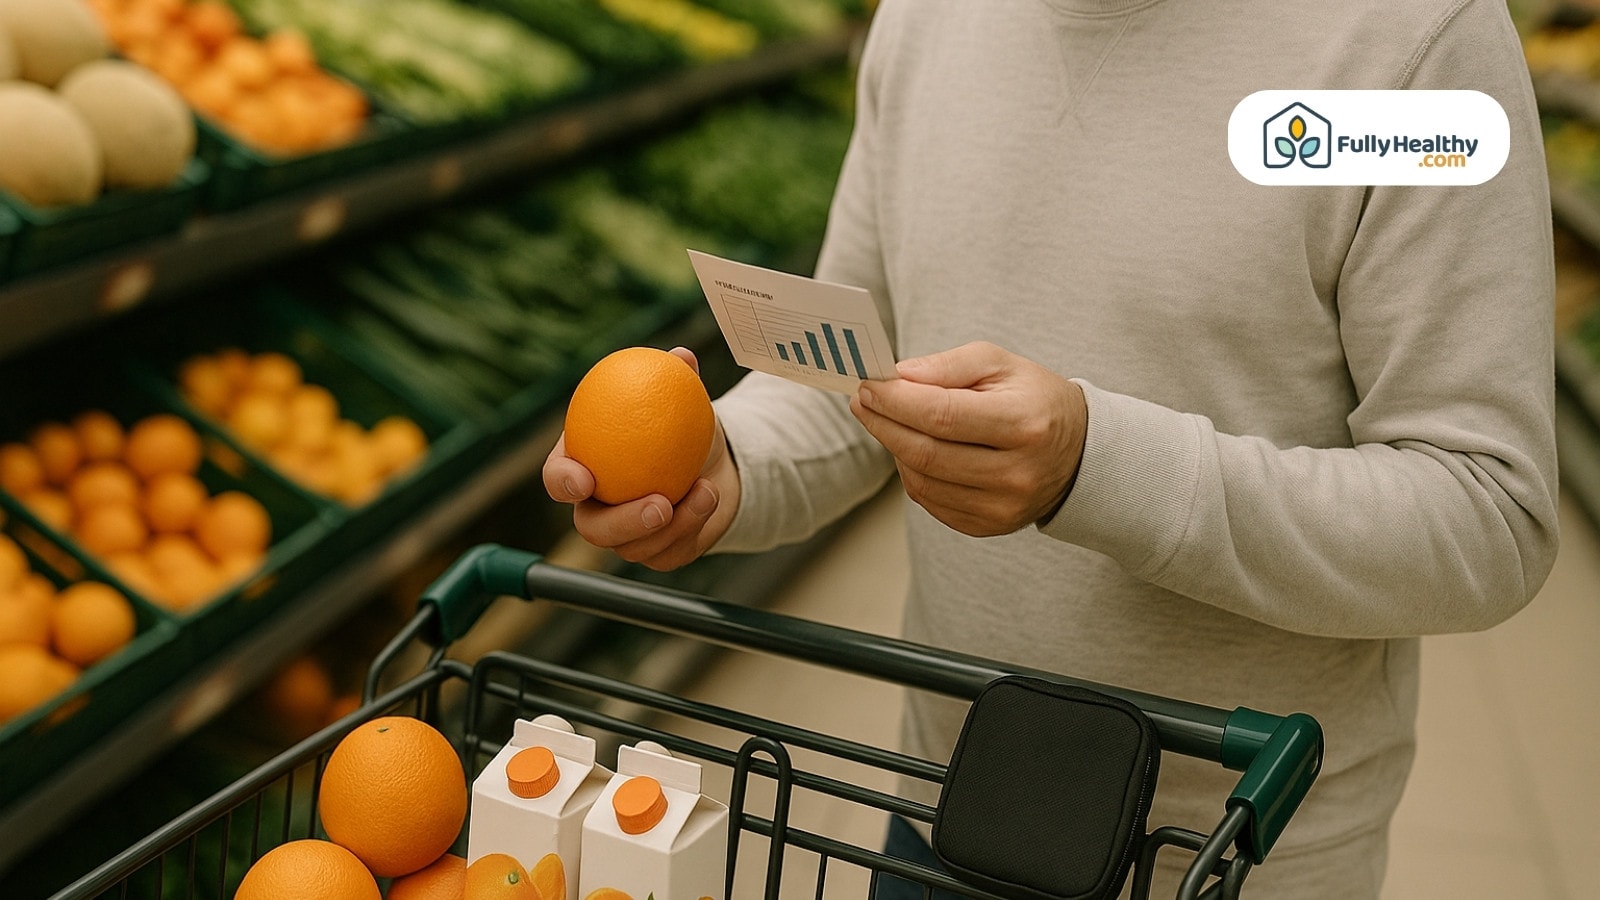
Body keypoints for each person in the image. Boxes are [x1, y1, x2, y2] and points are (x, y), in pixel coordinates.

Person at [544, 0, 1560, 896]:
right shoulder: (923, 18)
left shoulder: (1412, 41)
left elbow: (1486, 513)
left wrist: (1096, 466)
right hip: (943, 804)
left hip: (1227, 852)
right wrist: (735, 465)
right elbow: (859, 364)